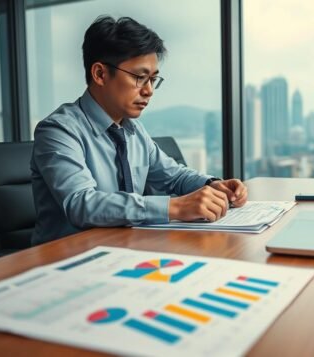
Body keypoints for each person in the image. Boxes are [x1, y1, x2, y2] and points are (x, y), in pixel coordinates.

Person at [31, 16, 247, 245]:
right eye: (140, 78)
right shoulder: (58, 131)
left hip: (126, 249)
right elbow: (81, 204)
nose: (149, 91)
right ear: (100, 74)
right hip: (66, 261)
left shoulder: (133, 131)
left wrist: (211, 184)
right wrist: (174, 207)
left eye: (153, 80)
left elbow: (174, 176)